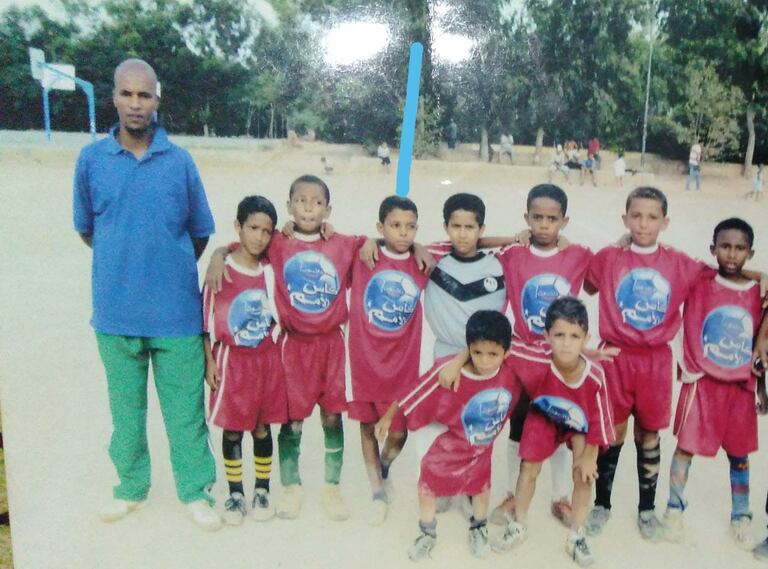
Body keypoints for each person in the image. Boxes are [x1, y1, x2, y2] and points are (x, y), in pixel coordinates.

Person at [72, 58, 221, 530]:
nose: (135, 104)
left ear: (158, 99)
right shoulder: (91, 161)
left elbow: (200, 233)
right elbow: (88, 229)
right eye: (126, 94)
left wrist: (166, 264)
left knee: (185, 413)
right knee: (126, 414)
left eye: (145, 95)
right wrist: (126, 259)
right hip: (115, 315)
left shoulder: (179, 162)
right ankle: (131, 487)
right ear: (113, 97)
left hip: (176, 316)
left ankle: (195, 491)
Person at [583, 187, 766, 541]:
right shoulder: (608, 258)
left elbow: (729, 272)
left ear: (665, 222)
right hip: (615, 356)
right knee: (614, 432)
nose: (643, 224)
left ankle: (647, 509)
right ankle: (602, 504)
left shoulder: (681, 264)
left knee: (649, 434)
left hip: (655, 360)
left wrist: (762, 276)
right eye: (635, 216)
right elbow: (588, 285)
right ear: (625, 219)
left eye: (652, 217)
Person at [375, 311, 522, 561]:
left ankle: (479, 528)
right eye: (477, 353)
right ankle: (427, 534)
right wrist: (388, 417)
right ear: (469, 350)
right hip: (446, 447)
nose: (484, 361)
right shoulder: (449, 373)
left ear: (506, 353)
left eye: (493, 355)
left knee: (482, 490)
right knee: (428, 489)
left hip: (479, 450)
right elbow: (413, 392)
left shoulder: (511, 372)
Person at [489, 184, 594, 527]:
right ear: (527, 218)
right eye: (537, 218)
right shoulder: (513, 254)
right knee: (519, 428)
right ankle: (509, 492)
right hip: (522, 357)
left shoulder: (578, 256)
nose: (545, 225)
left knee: (561, 428)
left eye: (552, 219)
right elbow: (470, 245)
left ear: (564, 220)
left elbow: (607, 270)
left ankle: (559, 497)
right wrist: (512, 236)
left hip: (561, 361)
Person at [662, 218, 765, 548]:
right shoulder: (700, 280)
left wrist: (761, 387)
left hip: (739, 388)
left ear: (750, 252)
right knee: (685, 449)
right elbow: (668, 258)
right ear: (713, 249)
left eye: (739, 248)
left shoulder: (757, 292)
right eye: (725, 247)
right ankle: (674, 509)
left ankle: (741, 515)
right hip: (702, 383)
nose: (731, 254)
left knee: (740, 455)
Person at [491, 298, 614, 567]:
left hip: (579, 425)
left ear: (586, 338)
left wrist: (590, 456)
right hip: (545, 415)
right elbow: (502, 341)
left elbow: (599, 420)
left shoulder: (595, 375)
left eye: (574, 336)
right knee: (528, 469)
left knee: (584, 475)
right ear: (546, 336)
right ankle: (520, 523)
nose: (566, 343)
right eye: (559, 335)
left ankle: (576, 535)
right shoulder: (535, 357)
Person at [202, 195, 286, 525]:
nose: (259, 237)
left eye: (267, 231)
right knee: (234, 430)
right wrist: (210, 362)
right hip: (231, 362)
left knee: (263, 429)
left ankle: (261, 489)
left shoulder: (270, 271)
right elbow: (206, 323)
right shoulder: (220, 272)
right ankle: (236, 493)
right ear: (238, 227)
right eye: (253, 228)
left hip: (265, 363)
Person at [347, 196, 428, 525]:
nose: (404, 233)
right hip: (364, 361)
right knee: (367, 425)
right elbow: (316, 234)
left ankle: (384, 466)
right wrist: (371, 241)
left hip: (403, 367)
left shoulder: (423, 261)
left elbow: (469, 241)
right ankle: (376, 488)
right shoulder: (362, 253)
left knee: (398, 432)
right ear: (380, 227)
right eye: (395, 226)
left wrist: (516, 237)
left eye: (411, 227)